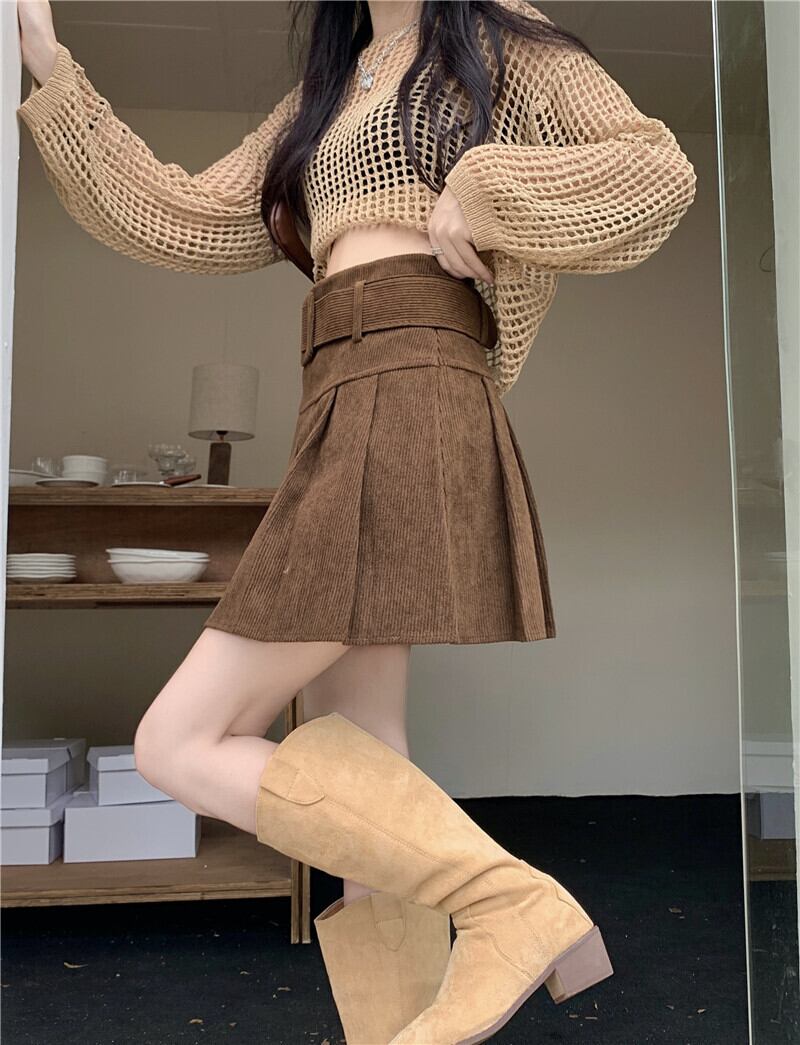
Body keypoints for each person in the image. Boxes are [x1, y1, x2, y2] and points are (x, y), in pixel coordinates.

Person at [16, 1, 696, 1041]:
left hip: (415, 373)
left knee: (177, 740)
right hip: (336, 386)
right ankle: (400, 1024)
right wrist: (51, 71)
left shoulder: (497, 35)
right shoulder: (329, 89)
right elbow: (181, 214)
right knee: (361, 752)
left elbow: (652, 171)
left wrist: (484, 190)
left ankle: (511, 902)